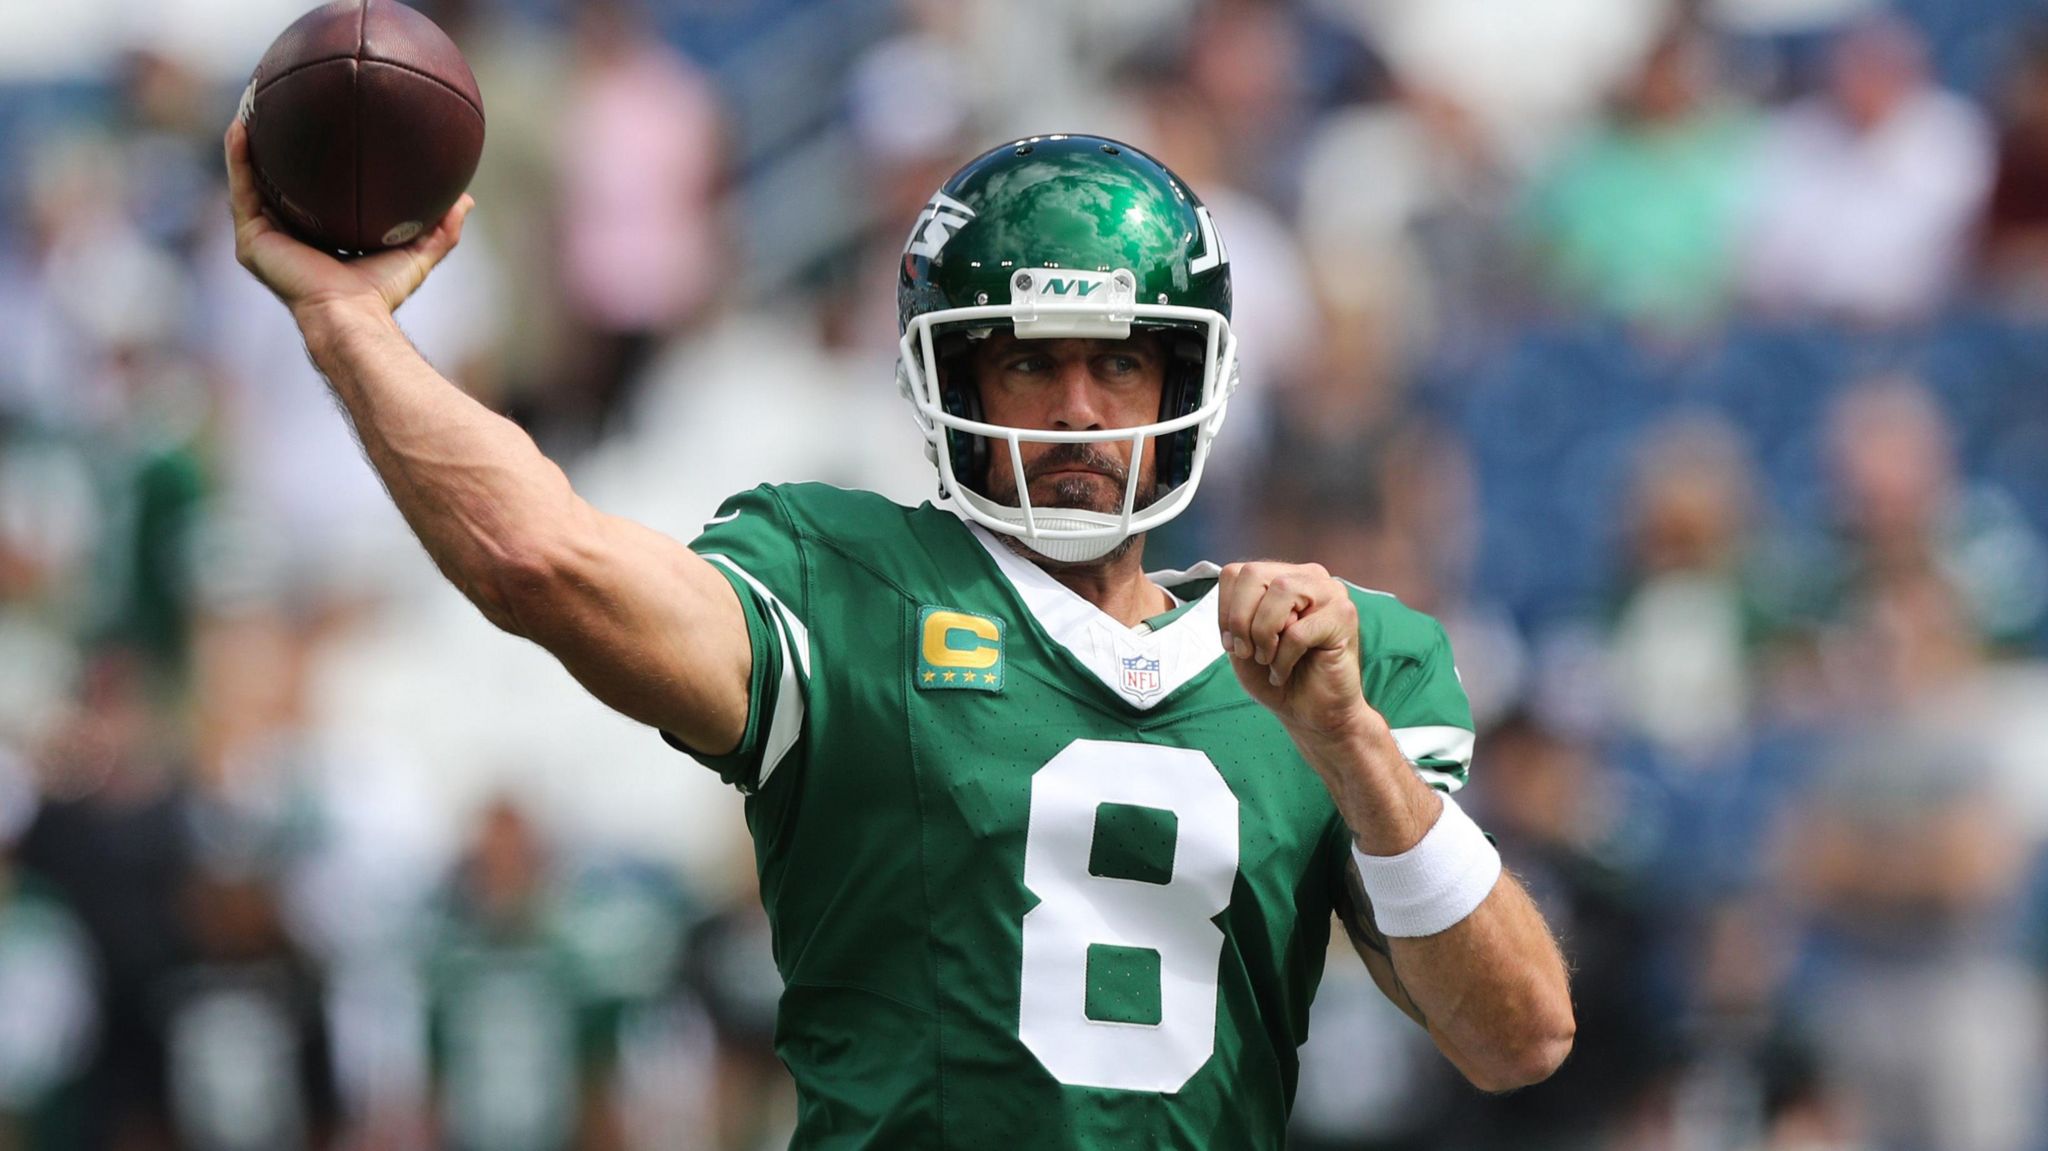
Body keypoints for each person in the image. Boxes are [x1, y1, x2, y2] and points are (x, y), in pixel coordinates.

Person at [223, 122, 1572, 1147]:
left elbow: (1518, 1035)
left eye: (1121, 360)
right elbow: (539, 558)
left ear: (1191, 376)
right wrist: (347, 325)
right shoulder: (847, 582)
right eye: (1029, 361)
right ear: (952, 372)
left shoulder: (1345, 666)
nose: (1080, 410)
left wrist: (1348, 744)